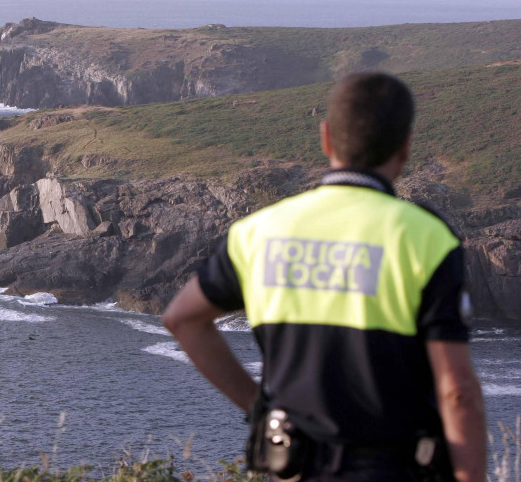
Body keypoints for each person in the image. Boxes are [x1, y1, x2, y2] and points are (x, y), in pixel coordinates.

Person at [162, 72, 485, 482]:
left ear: (326, 138)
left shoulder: (259, 231)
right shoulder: (426, 238)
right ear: (405, 145)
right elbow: (457, 389)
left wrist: (260, 409)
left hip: (292, 465)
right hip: (393, 467)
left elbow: (182, 318)